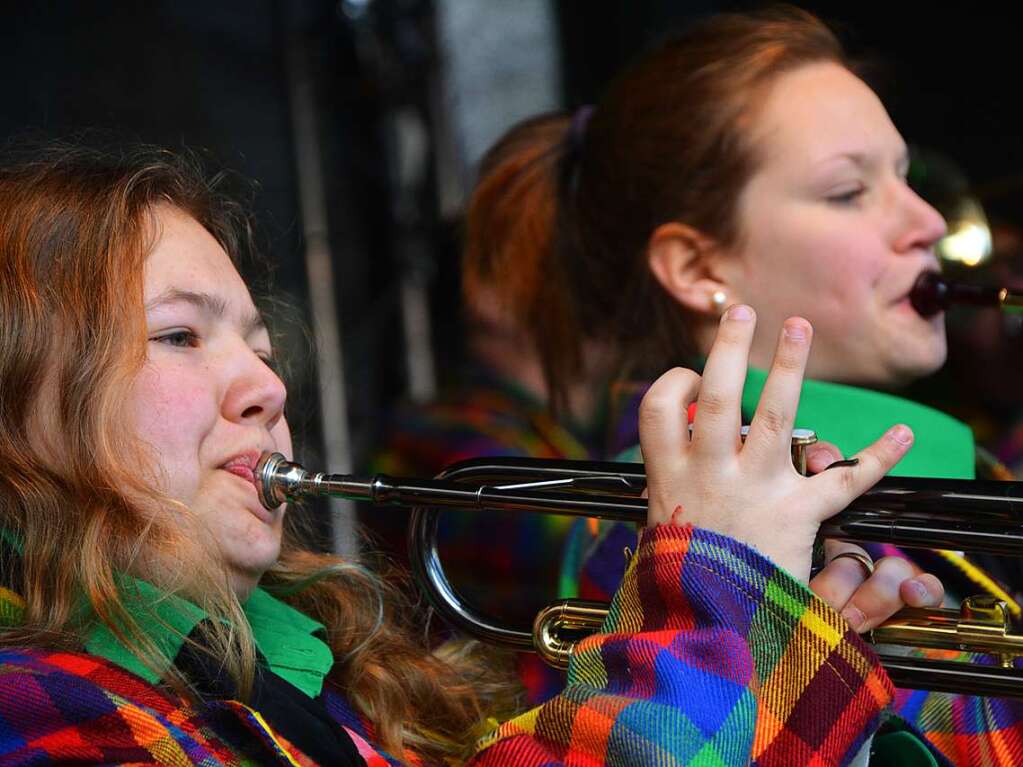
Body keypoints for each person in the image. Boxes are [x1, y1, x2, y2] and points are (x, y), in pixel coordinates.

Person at [0, 143, 933, 765]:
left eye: (263, 349)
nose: (267, 387)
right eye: (177, 337)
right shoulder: (34, 702)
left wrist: (803, 672)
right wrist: (725, 586)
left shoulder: (314, 682)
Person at [464, 6, 1023, 764]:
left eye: (906, 176)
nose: (925, 220)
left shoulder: (940, 459)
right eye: (846, 191)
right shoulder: (649, 517)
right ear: (699, 270)